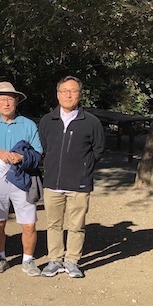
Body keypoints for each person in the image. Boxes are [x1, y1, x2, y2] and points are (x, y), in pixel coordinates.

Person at [38, 76, 105, 279]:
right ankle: (55, 260)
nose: (68, 95)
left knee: (76, 226)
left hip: (79, 183)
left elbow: (98, 150)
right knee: (53, 224)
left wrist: (84, 168)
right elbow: (44, 147)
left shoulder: (91, 122)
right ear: (58, 95)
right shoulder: (47, 121)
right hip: (53, 183)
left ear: (80, 94)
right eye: (64, 91)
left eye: (73, 91)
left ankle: (72, 261)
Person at [0, 82, 43, 277]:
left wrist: (22, 157)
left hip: (23, 178)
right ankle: (0, 258)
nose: (6, 103)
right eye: (2, 99)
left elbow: (39, 153)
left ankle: (28, 260)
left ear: (16, 101)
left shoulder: (28, 124)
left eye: (10, 99)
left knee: (29, 223)